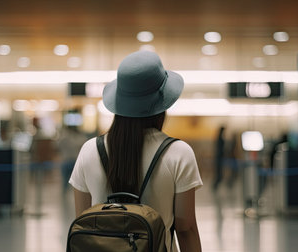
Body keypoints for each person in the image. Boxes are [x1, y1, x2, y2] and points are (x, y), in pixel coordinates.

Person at [69, 51, 203, 252]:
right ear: (162, 104)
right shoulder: (178, 153)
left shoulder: (89, 150)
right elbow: (186, 229)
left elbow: (83, 220)